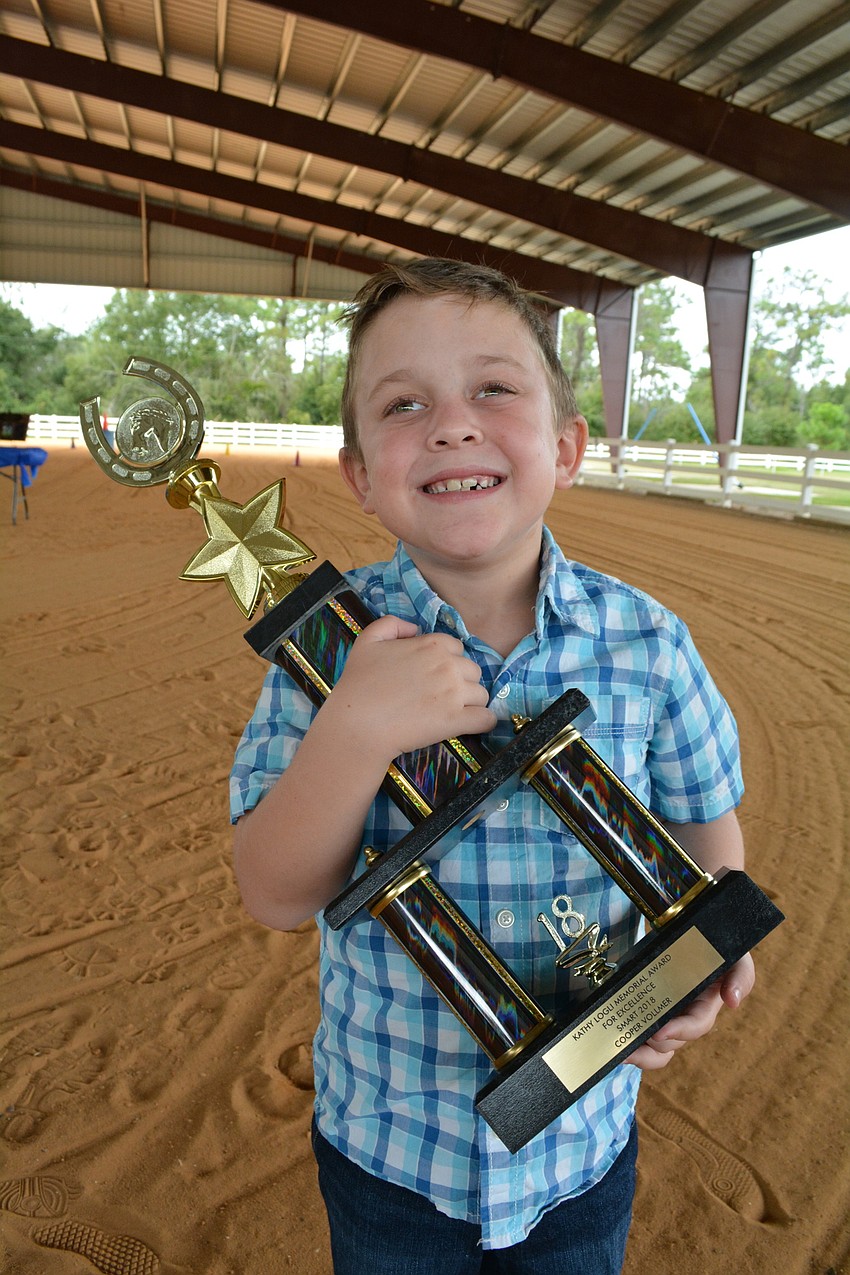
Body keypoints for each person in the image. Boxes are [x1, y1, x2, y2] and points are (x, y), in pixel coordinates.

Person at [230, 258, 754, 1274]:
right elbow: (274, 893)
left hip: (579, 1154)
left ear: (564, 449)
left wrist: (705, 966)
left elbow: (710, 863)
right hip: (391, 1153)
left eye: (493, 389)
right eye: (403, 404)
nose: (452, 425)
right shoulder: (324, 659)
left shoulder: (648, 644)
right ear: (360, 477)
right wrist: (352, 732)